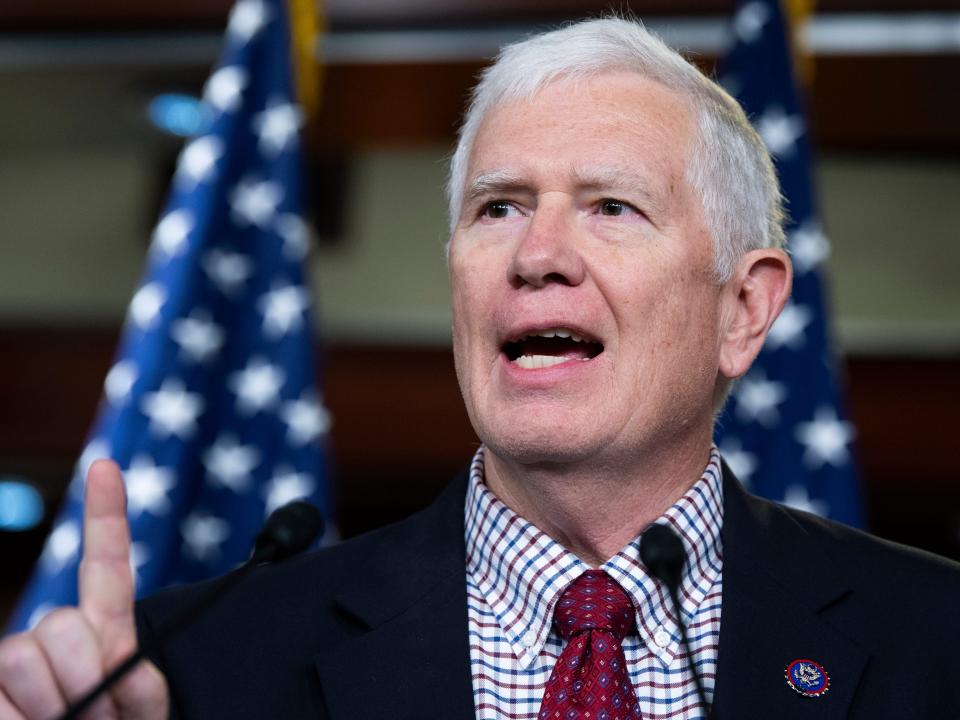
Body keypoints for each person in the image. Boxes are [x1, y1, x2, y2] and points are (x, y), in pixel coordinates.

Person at [2, 16, 959, 720]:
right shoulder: (188, 669)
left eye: (611, 207)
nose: (538, 253)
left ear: (743, 309)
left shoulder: (937, 640)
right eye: (498, 207)